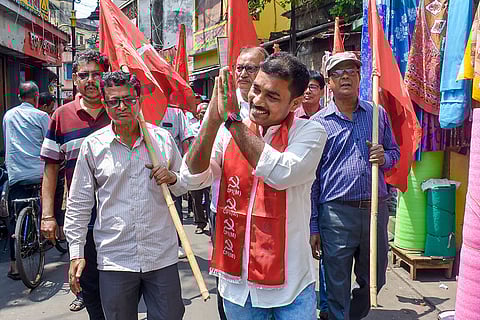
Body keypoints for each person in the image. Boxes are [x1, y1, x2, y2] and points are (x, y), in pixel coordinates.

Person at [181, 52, 327, 319]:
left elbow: (281, 173)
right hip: (238, 287)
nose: (257, 101)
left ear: (295, 103)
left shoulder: (310, 133)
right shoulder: (228, 130)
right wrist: (212, 120)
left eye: (272, 96)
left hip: (291, 288)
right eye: (256, 90)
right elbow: (192, 177)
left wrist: (233, 122)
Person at [64, 71, 186, 320]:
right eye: (114, 101)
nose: (122, 107)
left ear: (139, 100)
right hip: (115, 258)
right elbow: (78, 203)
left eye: (129, 100)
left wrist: (172, 177)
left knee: (170, 316)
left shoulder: (161, 140)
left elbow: (183, 186)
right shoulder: (93, 146)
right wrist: (77, 252)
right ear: (105, 103)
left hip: (160, 255)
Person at [309, 52, 400, 320]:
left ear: (360, 77)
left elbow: (395, 153)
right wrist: (314, 225)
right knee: (336, 283)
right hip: (336, 214)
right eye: (338, 72)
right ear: (329, 83)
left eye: (351, 70)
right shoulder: (319, 124)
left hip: (375, 209)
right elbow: (313, 180)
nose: (345, 76)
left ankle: (353, 314)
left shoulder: (376, 115)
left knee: (375, 277)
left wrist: (385, 157)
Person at [40, 49, 110, 318]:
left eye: (97, 74)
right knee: (88, 282)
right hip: (83, 217)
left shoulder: (120, 110)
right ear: (76, 79)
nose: (91, 80)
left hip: (121, 214)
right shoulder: (61, 116)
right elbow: (51, 168)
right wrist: (48, 215)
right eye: (84, 75)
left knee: (119, 283)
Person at [3, 81, 49, 280]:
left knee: (14, 218)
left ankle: (14, 265)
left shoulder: (8, 115)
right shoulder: (42, 116)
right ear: (37, 97)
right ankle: (43, 232)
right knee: (42, 206)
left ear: (19, 96)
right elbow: (50, 142)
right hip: (38, 173)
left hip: (15, 174)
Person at [158, 106, 194, 258]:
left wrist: (186, 167)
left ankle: (177, 244)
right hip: (145, 171)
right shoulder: (139, 109)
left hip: (171, 172)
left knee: (175, 208)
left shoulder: (176, 113)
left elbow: (186, 139)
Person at [189, 102, 210, 234]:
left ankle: (212, 223)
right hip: (196, 167)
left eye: (206, 111)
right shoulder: (191, 129)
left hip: (210, 166)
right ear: (198, 114)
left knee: (210, 197)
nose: (204, 114)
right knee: (196, 196)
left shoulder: (215, 128)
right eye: (202, 112)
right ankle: (200, 223)